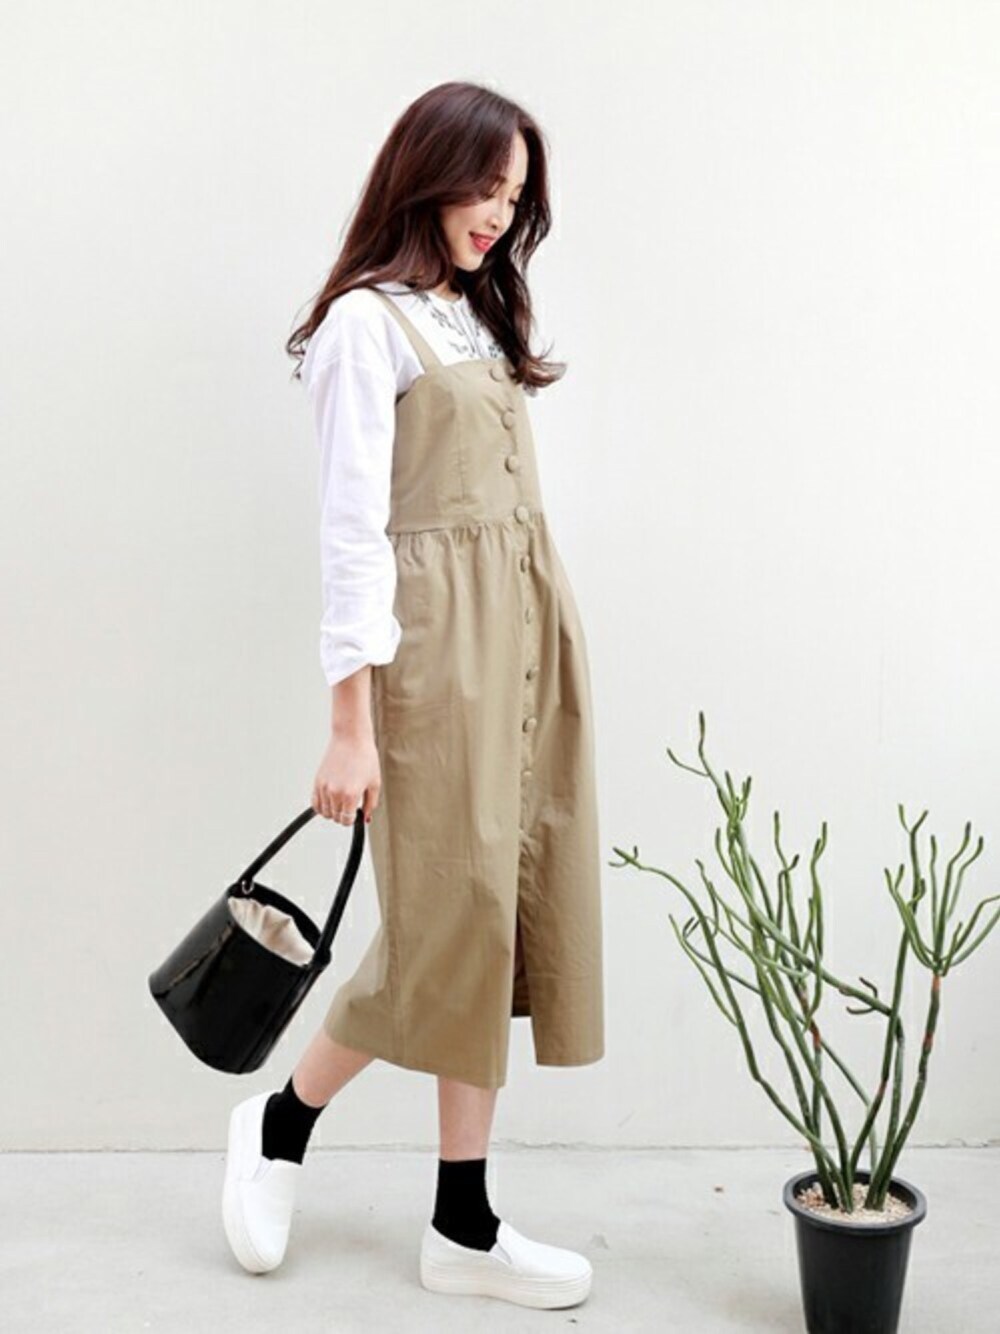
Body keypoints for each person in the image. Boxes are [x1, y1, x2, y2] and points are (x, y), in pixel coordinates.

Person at [221, 80, 605, 1311]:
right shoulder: (363, 327)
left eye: (514, 193)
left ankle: (461, 1221)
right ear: (426, 172)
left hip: (523, 638)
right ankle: (279, 1121)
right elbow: (351, 537)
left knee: (495, 920)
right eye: (482, 184)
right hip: (432, 658)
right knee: (448, 919)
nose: (497, 212)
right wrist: (350, 725)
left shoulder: (473, 315)